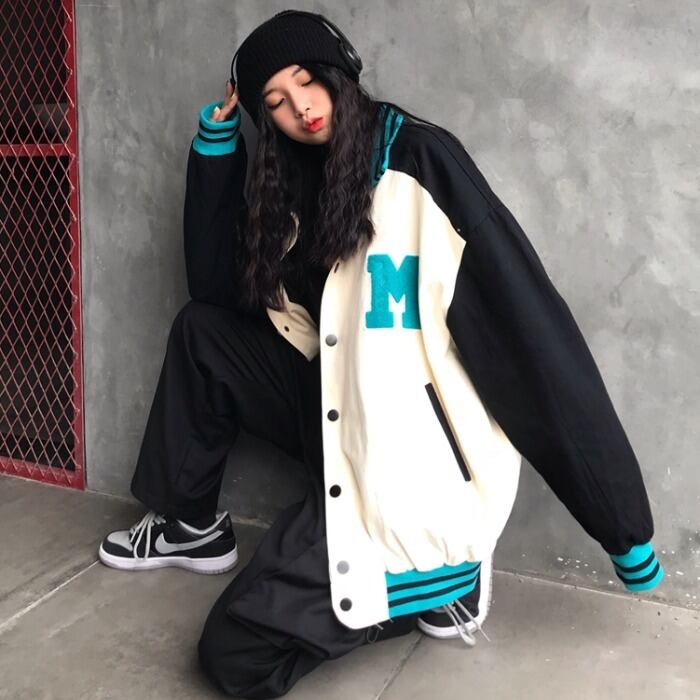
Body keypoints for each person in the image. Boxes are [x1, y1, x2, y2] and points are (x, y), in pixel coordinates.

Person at [97, 9, 664, 699]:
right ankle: (191, 527)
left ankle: (445, 579)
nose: (301, 108)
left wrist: (622, 526)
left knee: (236, 653)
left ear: (340, 72)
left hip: (412, 464)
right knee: (203, 333)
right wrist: (217, 153)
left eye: (307, 80)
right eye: (274, 101)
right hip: (335, 414)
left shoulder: (423, 166)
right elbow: (216, 290)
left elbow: (531, 340)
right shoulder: (291, 181)